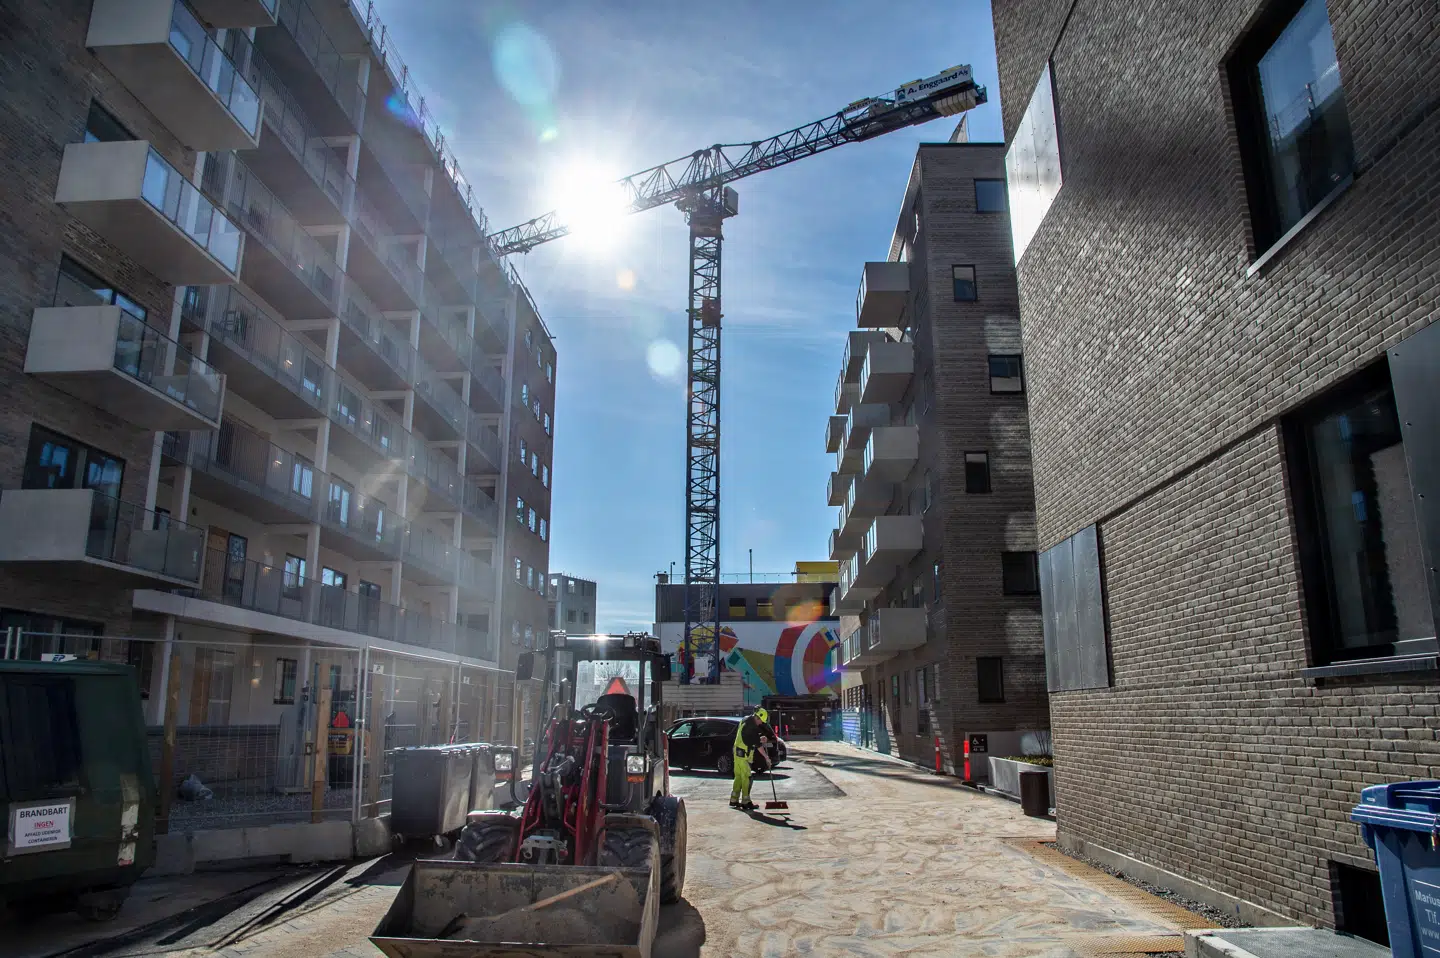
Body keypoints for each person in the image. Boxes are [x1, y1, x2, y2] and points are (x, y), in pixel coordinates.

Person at [730, 707, 777, 810]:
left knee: (739, 776)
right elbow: (758, 746)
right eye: (761, 721)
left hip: (737, 753)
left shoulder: (745, 720)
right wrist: (766, 758)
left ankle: (734, 799)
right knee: (747, 777)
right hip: (743, 754)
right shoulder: (752, 728)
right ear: (757, 717)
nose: (761, 723)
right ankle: (746, 802)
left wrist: (759, 739)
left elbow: (747, 738)